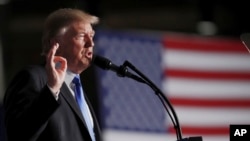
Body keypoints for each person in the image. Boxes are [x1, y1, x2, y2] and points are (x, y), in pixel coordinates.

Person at [3, 8, 102, 141]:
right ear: (56, 44)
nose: (91, 43)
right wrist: (51, 89)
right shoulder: (33, 78)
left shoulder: (78, 90)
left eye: (92, 35)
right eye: (81, 36)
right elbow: (18, 135)